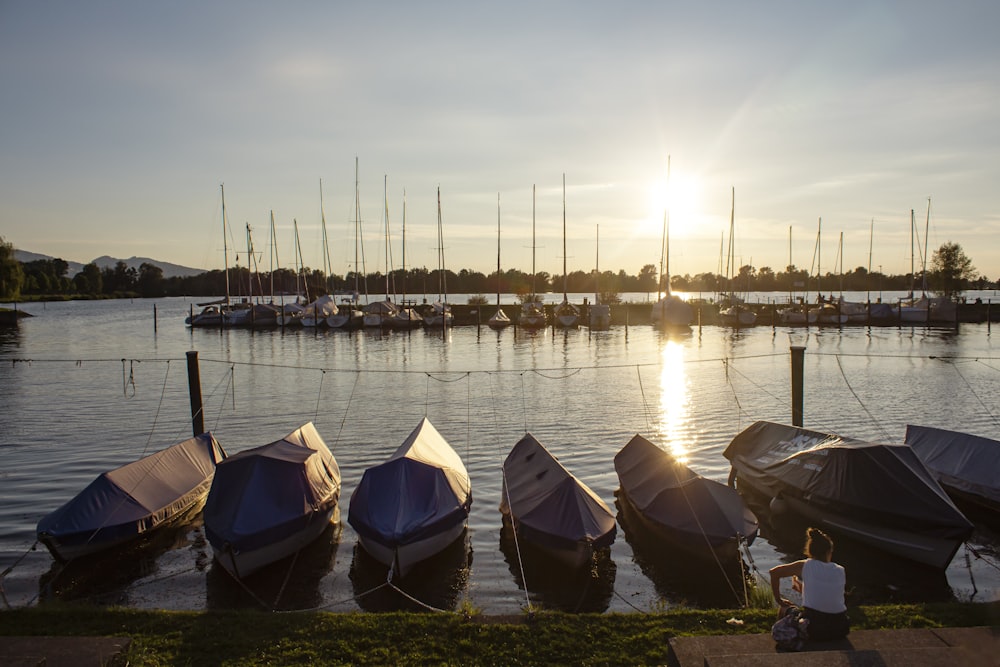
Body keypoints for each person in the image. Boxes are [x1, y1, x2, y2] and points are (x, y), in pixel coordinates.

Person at [769, 527, 850, 641]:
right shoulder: (840, 570)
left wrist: (778, 600)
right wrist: (803, 590)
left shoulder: (805, 565)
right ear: (828, 552)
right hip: (840, 627)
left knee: (784, 608)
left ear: (810, 551)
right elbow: (827, 596)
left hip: (814, 628)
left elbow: (774, 573)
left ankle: (785, 637)